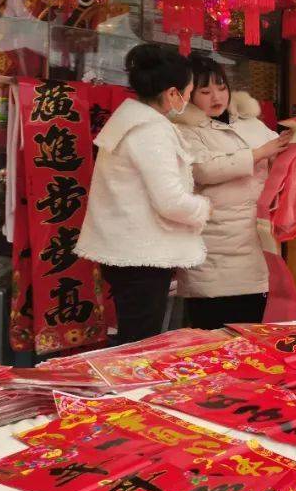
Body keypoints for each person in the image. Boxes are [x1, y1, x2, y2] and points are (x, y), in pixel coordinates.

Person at [76, 44, 211, 344]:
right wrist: (203, 208)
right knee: (139, 343)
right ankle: (130, 390)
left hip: (128, 248)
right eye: (189, 91)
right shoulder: (151, 130)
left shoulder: (132, 121)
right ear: (173, 93)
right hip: (142, 254)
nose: (189, 99)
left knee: (134, 335)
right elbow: (170, 200)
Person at [172, 54, 291, 329]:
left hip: (255, 241)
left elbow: (281, 160)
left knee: (252, 332)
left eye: (221, 87)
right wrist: (261, 153)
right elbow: (203, 169)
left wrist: (287, 150)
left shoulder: (252, 123)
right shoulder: (183, 129)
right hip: (215, 243)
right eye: (205, 91)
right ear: (188, 95)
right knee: (213, 336)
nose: (216, 96)